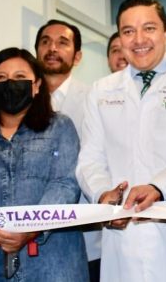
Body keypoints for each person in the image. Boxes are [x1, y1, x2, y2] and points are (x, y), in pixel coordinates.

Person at [76, 0, 166, 281]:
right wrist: (103, 195)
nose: (139, 39)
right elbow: (90, 157)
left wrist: (159, 187)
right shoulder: (101, 90)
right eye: (128, 31)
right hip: (123, 238)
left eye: (149, 28)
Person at [0, 47, 88, 281]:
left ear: (36, 85)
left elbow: (65, 185)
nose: (10, 83)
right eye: (1, 77)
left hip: (53, 264)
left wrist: (30, 228)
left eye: (20, 77)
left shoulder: (60, 127)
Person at [34, 19, 100, 281]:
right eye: (45, 42)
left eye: (63, 43)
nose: (52, 48)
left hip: (85, 234)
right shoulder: (19, 100)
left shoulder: (95, 98)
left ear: (78, 56)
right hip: (24, 234)